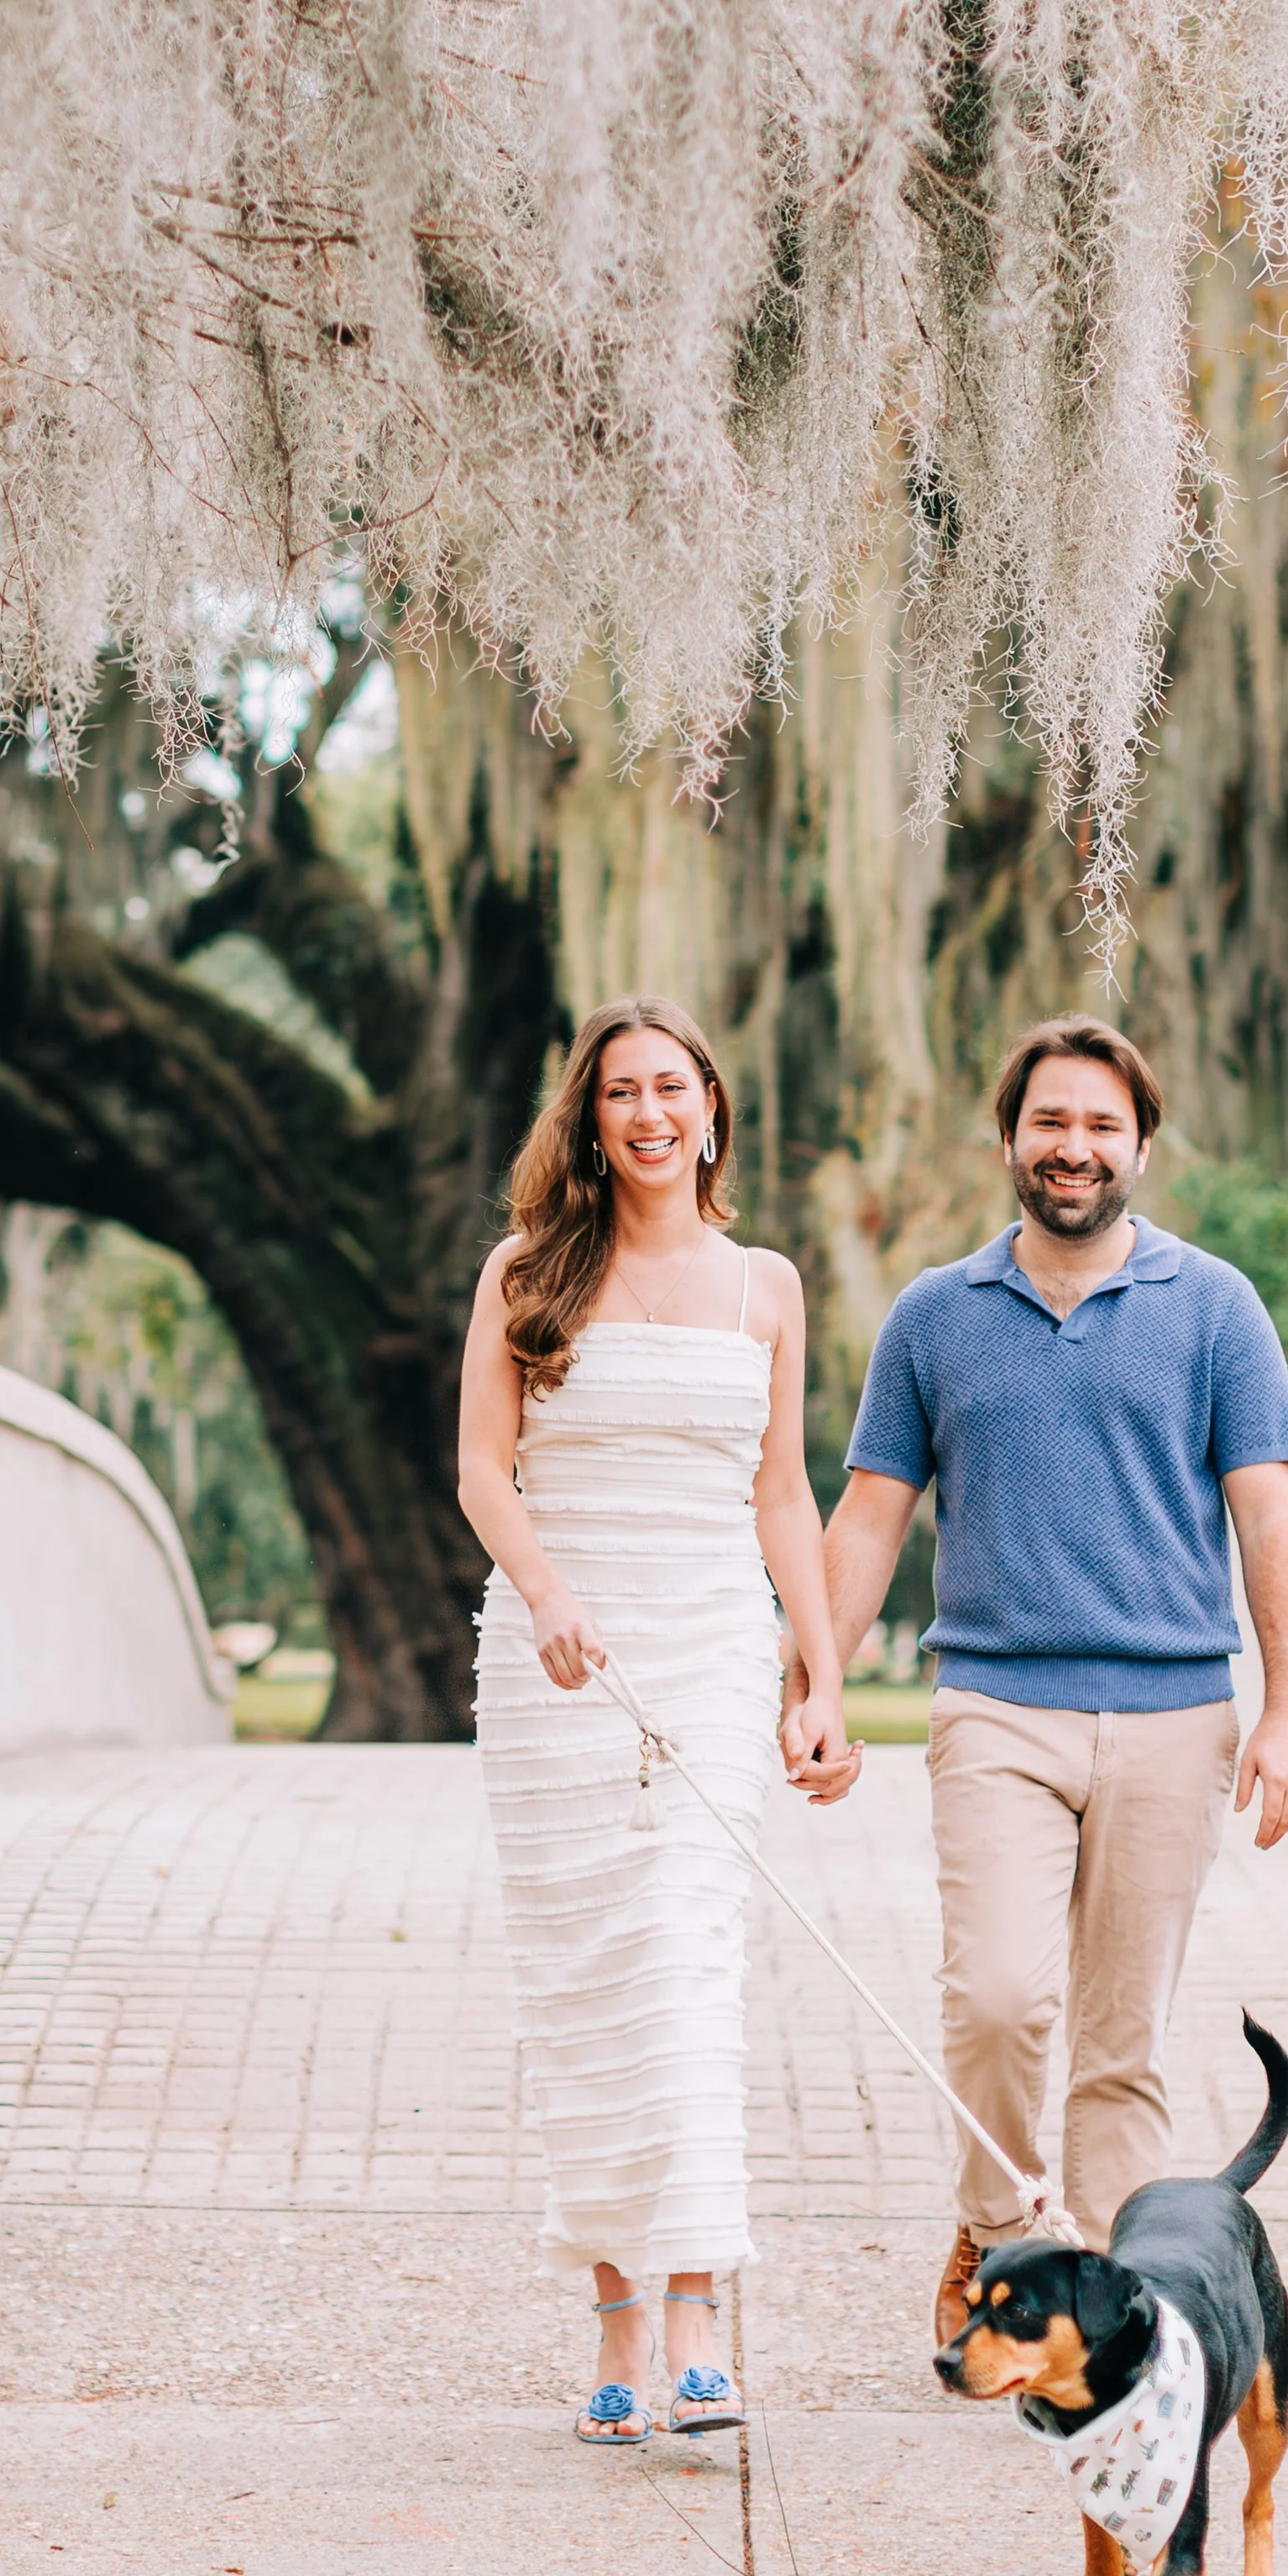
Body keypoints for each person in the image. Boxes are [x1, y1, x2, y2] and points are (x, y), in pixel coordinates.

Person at [788, 1015, 1288, 2340]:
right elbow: (866, 1519)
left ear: (1140, 1144)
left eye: (1099, 1125)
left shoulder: (1216, 1309)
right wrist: (816, 1684)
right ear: (1010, 1139)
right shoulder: (933, 1314)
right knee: (1000, 2000)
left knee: (1121, 2040)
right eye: (1050, 1122)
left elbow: (1270, 1518)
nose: (1073, 1147)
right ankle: (993, 2218)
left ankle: (1122, 2308)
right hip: (996, 1710)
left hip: (1175, 1716)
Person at [458, 994, 860, 2445]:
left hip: (703, 1653)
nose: (647, 1114)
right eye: (621, 1091)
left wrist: (816, 1674)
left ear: (710, 1108)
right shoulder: (526, 1272)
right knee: (592, 1985)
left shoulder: (767, 1286)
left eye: (671, 1087)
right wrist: (552, 1596)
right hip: (557, 1668)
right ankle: (616, 2319)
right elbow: (484, 1474)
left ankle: (698, 2309)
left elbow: (781, 1493)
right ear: (590, 1115)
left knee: (689, 1960)